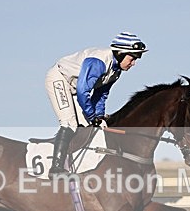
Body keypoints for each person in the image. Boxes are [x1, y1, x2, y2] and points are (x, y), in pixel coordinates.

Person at [44, 31, 148, 175]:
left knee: (91, 127)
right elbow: (83, 92)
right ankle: (55, 168)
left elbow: (101, 94)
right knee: (69, 124)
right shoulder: (99, 62)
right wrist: (92, 116)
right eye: (132, 58)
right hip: (60, 79)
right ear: (120, 53)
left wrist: (98, 117)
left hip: (76, 89)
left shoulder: (116, 71)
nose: (134, 63)